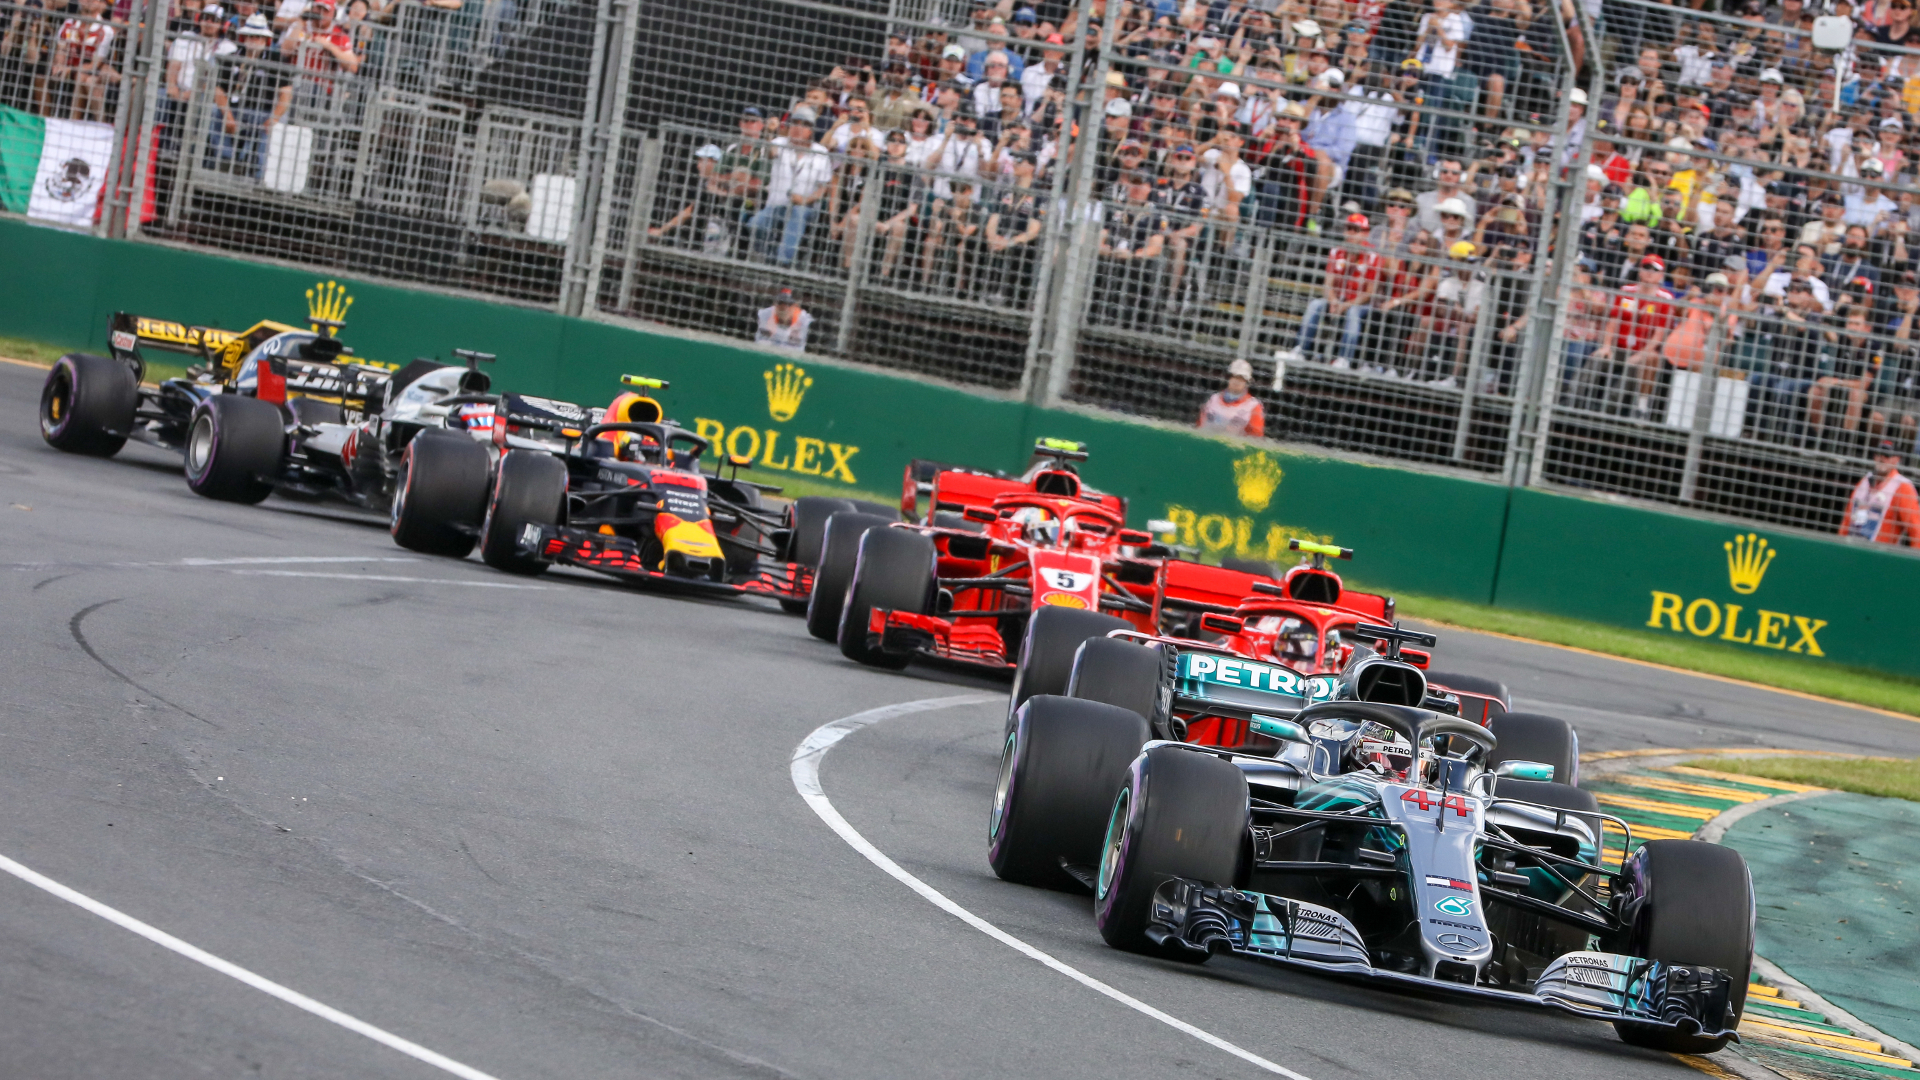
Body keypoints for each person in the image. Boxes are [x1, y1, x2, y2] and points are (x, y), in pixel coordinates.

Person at [1286, 212, 1380, 368]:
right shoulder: (1336, 251)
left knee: (1353, 313)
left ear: (1366, 233)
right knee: (1315, 304)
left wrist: (1345, 305)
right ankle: (1300, 349)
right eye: (1348, 228)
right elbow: (1327, 283)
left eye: (1356, 230)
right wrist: (1333, 301)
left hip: (1360, 304)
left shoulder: (1372, 256)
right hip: (1337, 299)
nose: (1351, 233)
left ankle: (1344, 358)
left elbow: (1369, 293)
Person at [749, 107, 834, 268]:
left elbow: (824, 188)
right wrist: (769, 132)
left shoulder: (820, 152)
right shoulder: (779, 143)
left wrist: (805, 200)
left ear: (811, 129)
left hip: (805, 207)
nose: (798, 128)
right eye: (794, 123)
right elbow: (770, 153)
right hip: (776, 205)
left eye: (804, 124)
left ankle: (783, 262)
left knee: (798, 213)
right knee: (755, 225)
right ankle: (769, 255)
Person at [213, 14, 289, 176]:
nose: (254, 40)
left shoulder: (275, 60)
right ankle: (224, 160)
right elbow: (218, 90)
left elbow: (286, 94)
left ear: (266, 40)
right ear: (244, 37)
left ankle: (257, 173)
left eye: (258, 37)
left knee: (271, 128)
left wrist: (274, 117)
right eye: (251, 36)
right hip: (234, 109)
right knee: (214, 112)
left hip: (262, 112)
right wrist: (228, 115)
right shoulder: (232, 57)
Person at [1840, 438, 1920, 544]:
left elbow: (1915, 529)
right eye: (1879, 454)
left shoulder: (1902, 487)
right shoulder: (1865, 481)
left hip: (1880, 551)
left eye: (1887, 455)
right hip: (1852, 547)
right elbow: (1847, 519)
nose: (1882, 458)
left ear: (1896, 459)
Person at [1198, 358, 1267, 436]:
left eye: (1241, 379)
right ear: (1228, 378)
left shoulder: (1253, 406)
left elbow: (1256, 436)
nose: (1236, 381)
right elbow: (1200, 424)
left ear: (1247, 382)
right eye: (1234, 377)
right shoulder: (1214, 399)